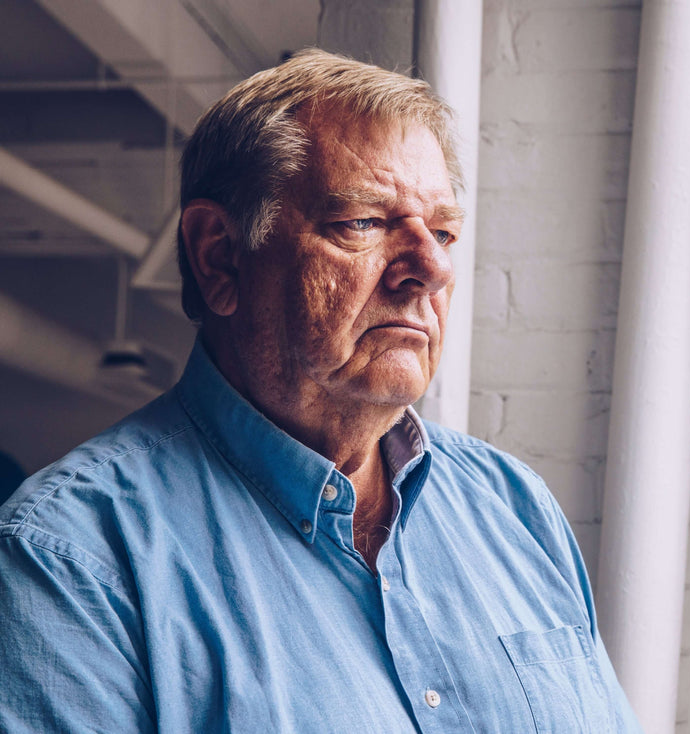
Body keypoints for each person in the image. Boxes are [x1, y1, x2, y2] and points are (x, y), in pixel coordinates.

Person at [0, 49, 641, 733]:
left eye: (445, 232)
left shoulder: (515, 509)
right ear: (219, 255)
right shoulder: (69, 561)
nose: (431, 268)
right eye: (362, 223)